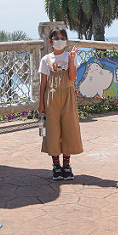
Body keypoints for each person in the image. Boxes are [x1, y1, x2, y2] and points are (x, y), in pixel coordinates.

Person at [38, 28, 83, 180]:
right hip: (51, 99)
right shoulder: (46, 59)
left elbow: (72, 78)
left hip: (68, 97)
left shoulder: (70, 56)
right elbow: (43, 83)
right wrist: (41, 105)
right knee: (52, 131)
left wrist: (71, 60)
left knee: (69, 129)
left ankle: (67, 165)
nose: (60, 40)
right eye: (56, 38)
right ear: (50, 41)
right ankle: (56, 166)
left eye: (63, 38)